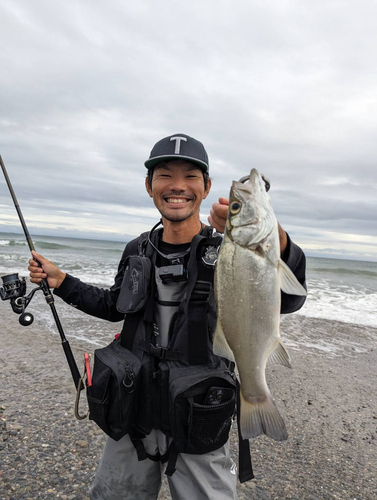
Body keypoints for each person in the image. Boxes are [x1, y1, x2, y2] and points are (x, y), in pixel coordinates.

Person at [28, 133, 306, 500]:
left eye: (191, 176)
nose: (178, 186)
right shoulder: (137, 248)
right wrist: (61, 281)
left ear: (206, 188)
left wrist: (276, 239)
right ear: (149, 186)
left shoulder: (230, 250)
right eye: (165, 175)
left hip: (198, 408)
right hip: (132, 406)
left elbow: (287, 299)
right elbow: (114, 306)